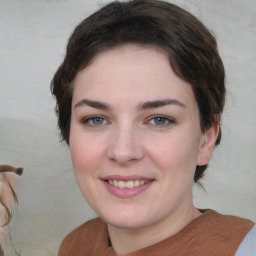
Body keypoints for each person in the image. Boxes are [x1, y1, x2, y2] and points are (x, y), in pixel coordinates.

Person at [51, 0, 256, 255]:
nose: (123, 151)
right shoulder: (77, 245)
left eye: (160, 119)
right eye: (96, 119)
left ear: (207, 137)